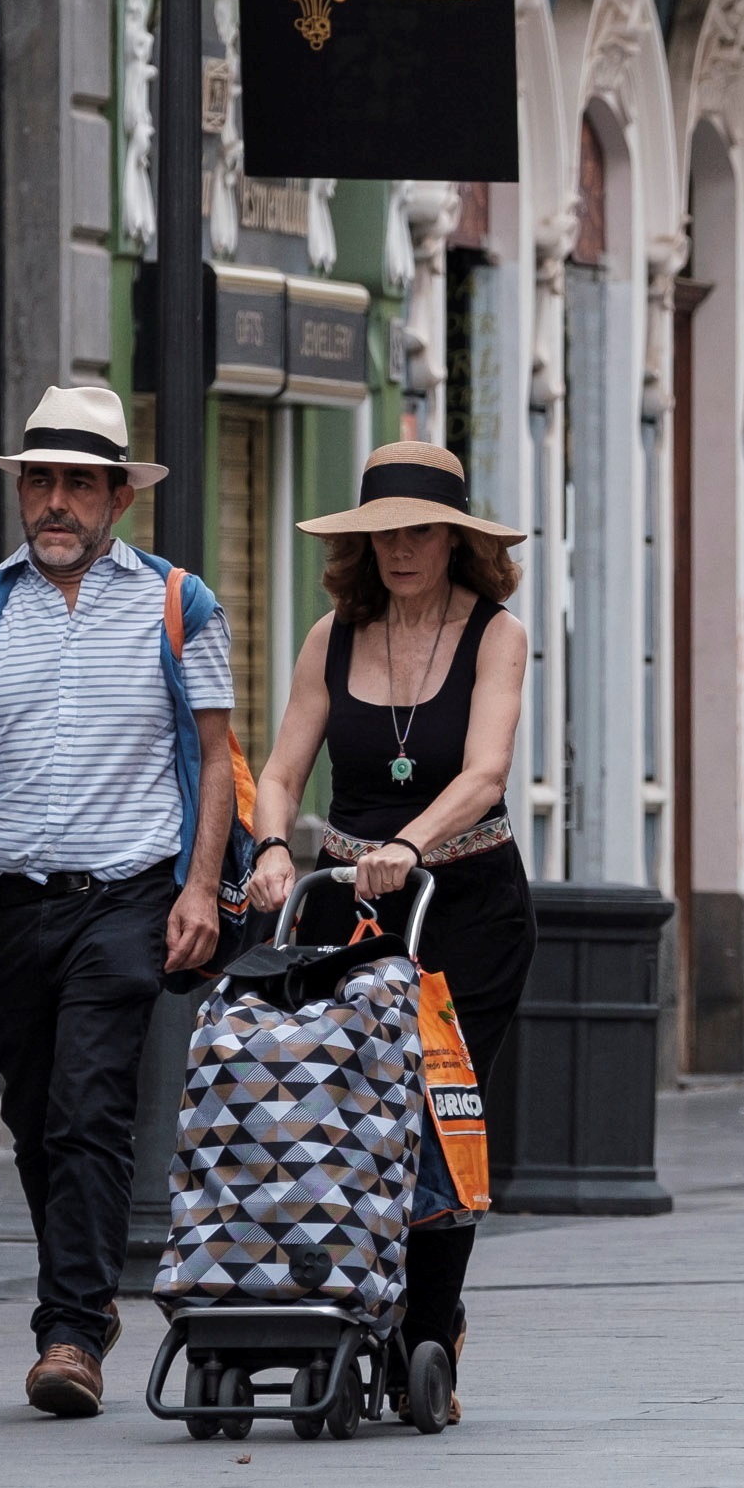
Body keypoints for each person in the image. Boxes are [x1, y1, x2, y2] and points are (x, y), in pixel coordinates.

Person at [0, 385, 238, 1419]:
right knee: (39, 1120)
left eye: (78, 484)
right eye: (40, 481)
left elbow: (217, 762)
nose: (54, 502)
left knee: (91, 1104)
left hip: (128, 895)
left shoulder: (182, 602)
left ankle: (70, 1333)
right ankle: (83, 1298)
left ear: (119, 499)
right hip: (8, 908)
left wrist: (203, 889)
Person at [249, 442, 533, 1422]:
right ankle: (337, 1303)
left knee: (436, 1118)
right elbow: (281, 768)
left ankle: (428, 1329)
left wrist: (410, 843)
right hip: (356, 908)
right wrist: (272, 847)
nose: (401, 549)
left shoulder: (497, 634)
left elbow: (486, 773)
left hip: (470, 906)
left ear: (456, 540)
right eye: (383, 533)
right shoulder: (333, 635)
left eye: (419, 531)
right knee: (342, 1110)